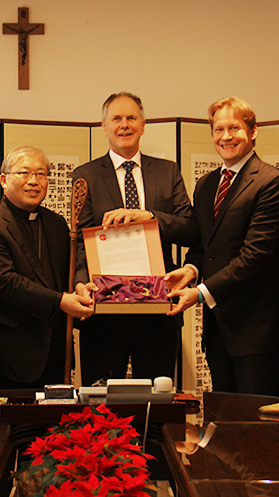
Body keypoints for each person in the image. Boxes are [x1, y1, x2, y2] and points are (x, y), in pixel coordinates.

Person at [166, 96, 279, 396]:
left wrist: (199, 294)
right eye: (218, 129)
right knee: (223, 423)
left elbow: (255, 255)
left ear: (253, 131)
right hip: (218, 327)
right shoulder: (207, 184)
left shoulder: (272, 182)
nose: (226, 137)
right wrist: (190, 269)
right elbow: (204, 243)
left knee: (256, 427)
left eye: (234, 128)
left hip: (257, 330)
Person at [73, 92, 198, 386]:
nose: (124, 125)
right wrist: (80, 281)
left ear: (144, 125)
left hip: (157, 311)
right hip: (104, 313)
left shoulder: (167, 172)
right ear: (104, 126)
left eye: (131, 118)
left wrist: (150, 216)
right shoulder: (85, 175)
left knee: (158, 405)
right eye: (116, 118)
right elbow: (80, 241)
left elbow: (191, 229)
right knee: (100, 409)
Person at [0, 145, 93, 390]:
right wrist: (61, 301)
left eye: (41, 174)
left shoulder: (56, 224)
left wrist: (80, 287)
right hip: (8, 357)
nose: (34, 181)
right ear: (4, 180)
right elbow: (6, 283)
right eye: (24, 173)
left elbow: (66, 273)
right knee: (10, 428)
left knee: (54, 427)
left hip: (55, 354)